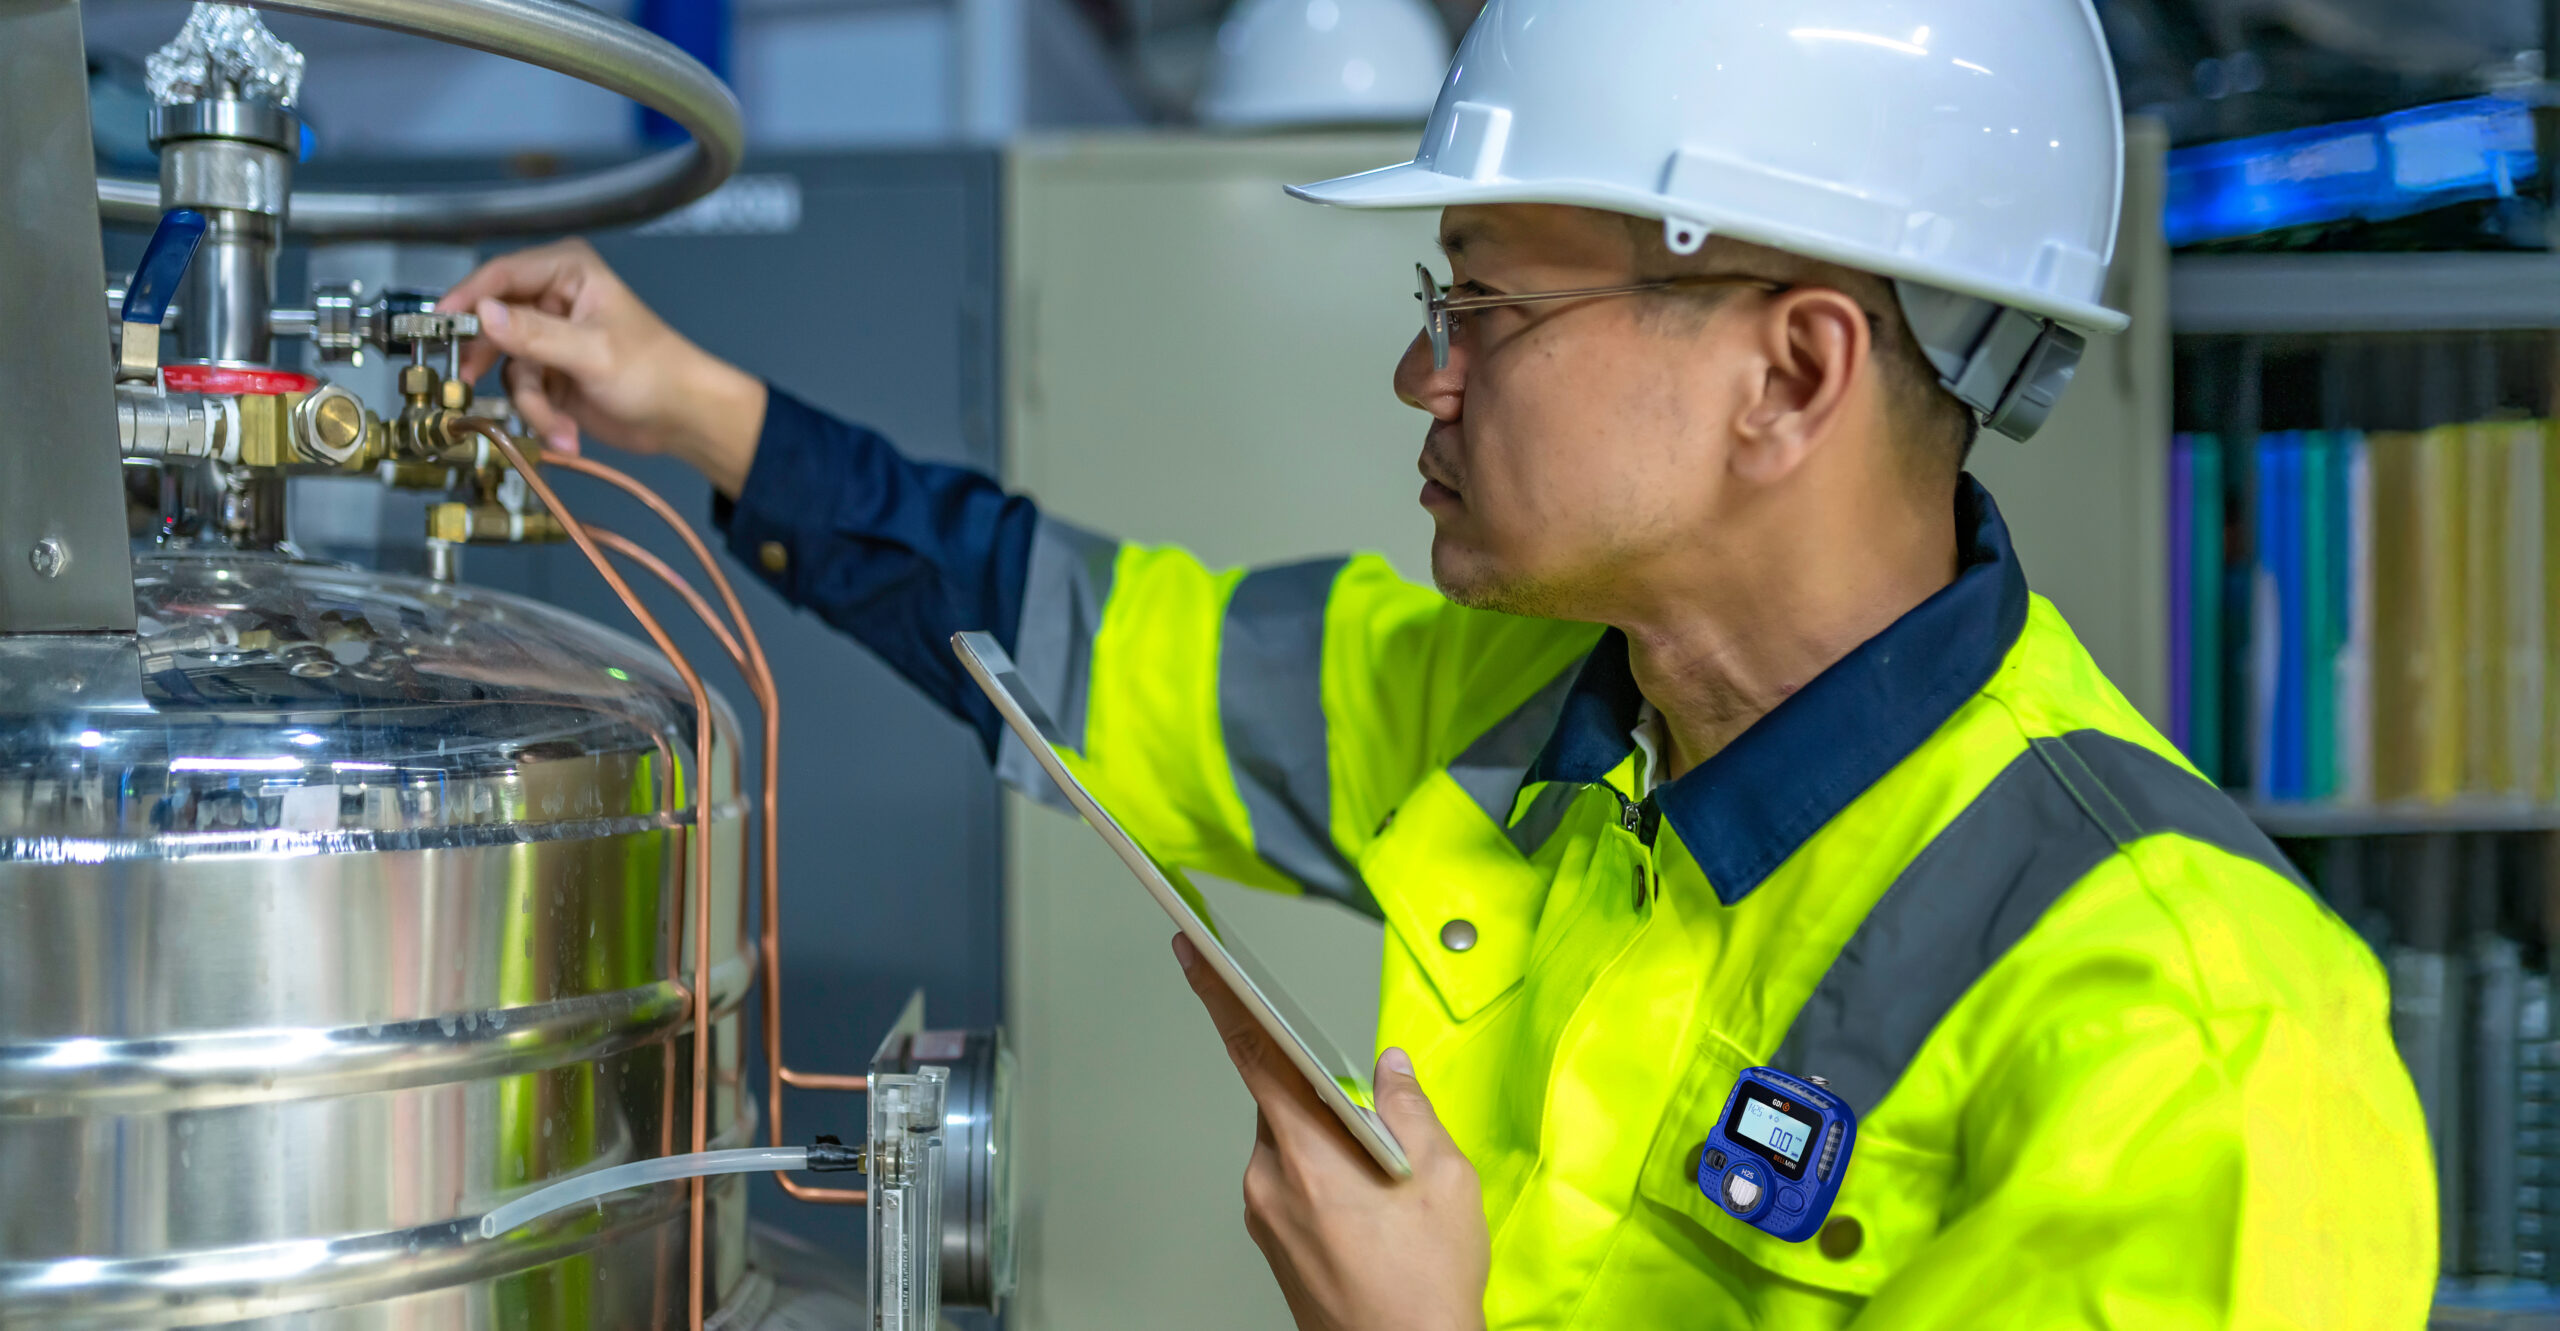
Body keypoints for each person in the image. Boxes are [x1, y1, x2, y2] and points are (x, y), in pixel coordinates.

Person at [442, 1, 2435, 1325]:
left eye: (1483, 305)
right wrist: (691, 403)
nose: (1421, 370)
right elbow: (1061, 632)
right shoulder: (1517, 709)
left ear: (1791, 372)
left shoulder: (2197, 1041)